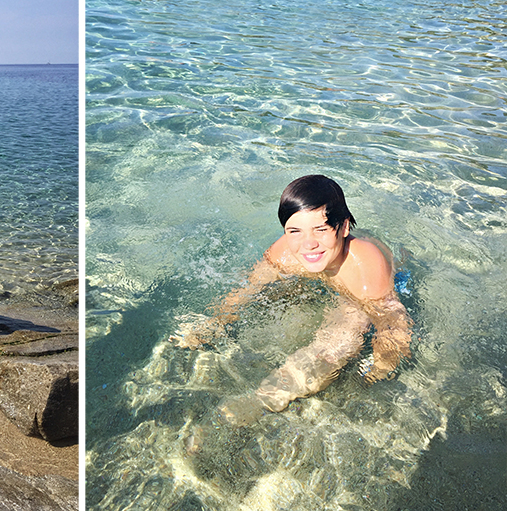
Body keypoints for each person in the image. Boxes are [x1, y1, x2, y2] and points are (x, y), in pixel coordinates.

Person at [176, 175, 411, 446]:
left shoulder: (364, 265)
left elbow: (393, 322)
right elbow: (247, 288)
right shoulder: (286, 252)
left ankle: (260, 399)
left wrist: (380, 366)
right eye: (294, 231)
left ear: (344, 226)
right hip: (324, 275)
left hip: (357, 294)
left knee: (342, 335)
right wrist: (217, 320)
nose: (307, 244)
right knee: (275, 289)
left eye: (320, 230)